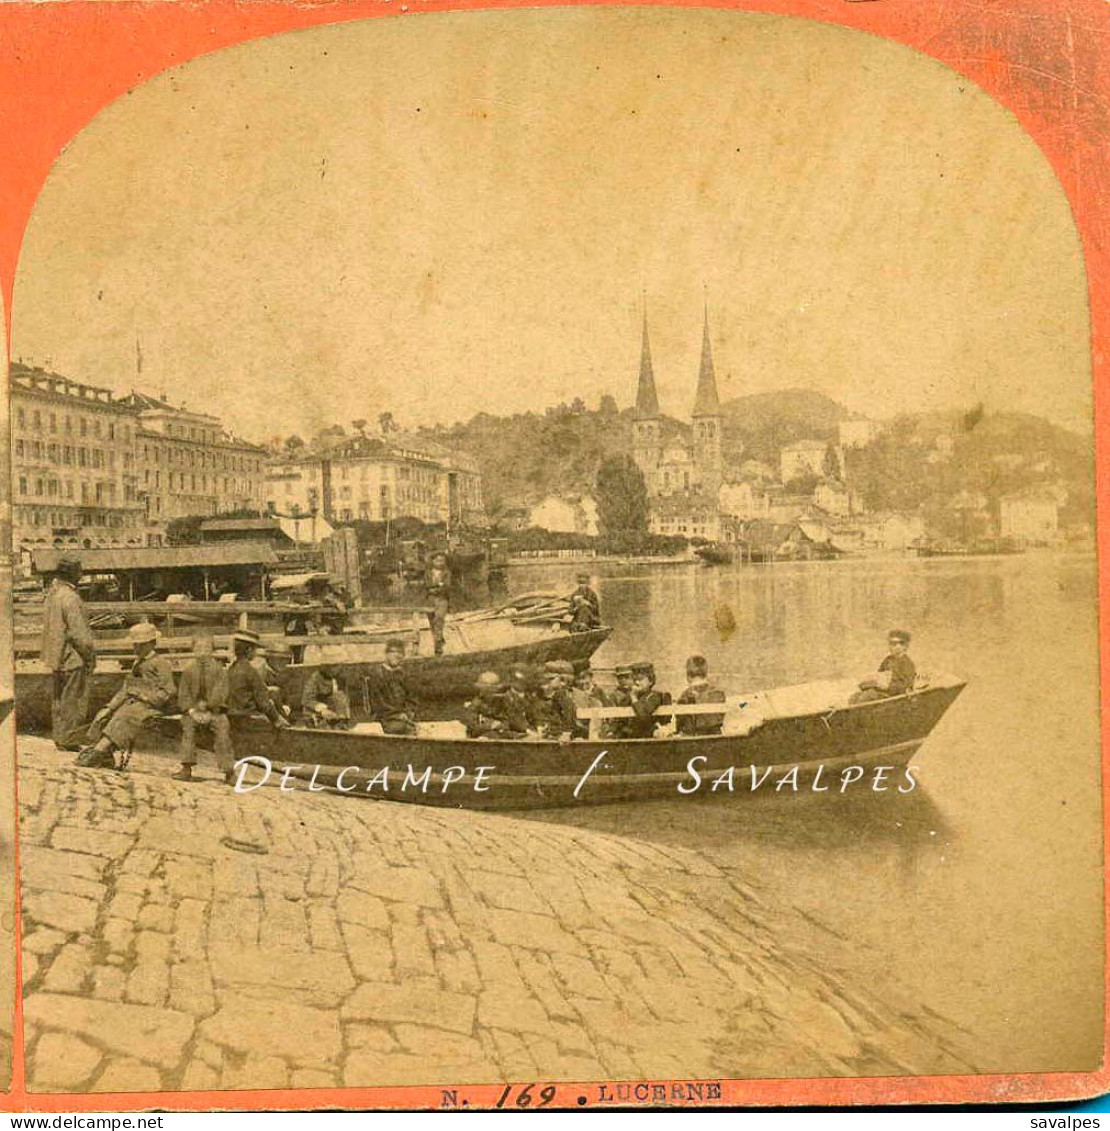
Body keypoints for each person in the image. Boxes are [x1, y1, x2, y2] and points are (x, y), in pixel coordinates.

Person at [78, 622, 174, 770]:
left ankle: (99, 751)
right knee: (106, 715)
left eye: (141, 645)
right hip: (134, 702)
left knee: (126, 716)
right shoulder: (137, 663)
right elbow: (126, 688)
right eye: (135, 645)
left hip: (152, 705)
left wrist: (144, 696)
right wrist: (109, 707)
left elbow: (168, 691)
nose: (136, 648)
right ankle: (105, 755)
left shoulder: (161, 664)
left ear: (152, 644)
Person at [41, 555, 97, 751]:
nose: (81, 575)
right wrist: (90, 656)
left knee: (59, 698)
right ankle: (70, 739)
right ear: (73, 574)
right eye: (79, 571)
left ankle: (60, 736)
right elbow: (79, 634)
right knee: (73, 699)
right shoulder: (71, 598)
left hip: (57, 656)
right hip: (73, 657)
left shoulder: (53, 595)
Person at [222, 629, 289, 779]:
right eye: (255, 649)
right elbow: (264, 702)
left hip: (232, 715)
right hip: (247, 718)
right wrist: (278, 720)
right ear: (249, 650)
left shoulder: (231, 670)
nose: (256, 653)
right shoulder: (250, 671)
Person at [173, 633, 231, 782]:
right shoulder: (189, 670)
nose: (202, 651)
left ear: (212, 650)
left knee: (223, 729)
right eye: (198, 647)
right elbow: (183, 694)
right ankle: (186, 767)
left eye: (206, 648)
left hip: (215, 711)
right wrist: (191, 711)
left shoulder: (219, 670)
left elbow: (221, 693)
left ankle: (229, 771)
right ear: (193, 649)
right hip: (193, 711)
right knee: (188, 728)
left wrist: (210, 709)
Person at [365, 639, 418, 735]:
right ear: (386, 654)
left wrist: (409, 713)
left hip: (403, 717)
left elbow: (412, 697)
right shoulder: (378, 675)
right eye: (393, 652)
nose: (397, 655)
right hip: (386, 719)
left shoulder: (403, 675)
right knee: (407, 730)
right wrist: (397, 715)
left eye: (400, 653)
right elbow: (377, 703)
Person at [851, 629, 917, 704]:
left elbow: (907, 685)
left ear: (905, 646)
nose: (895, 647)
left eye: (898, 644)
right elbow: (879, 676)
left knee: (868, 696)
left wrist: (888, 687)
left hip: (893, 697)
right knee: (854, 697)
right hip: (882, 692)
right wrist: (871, 683)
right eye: (892, 644)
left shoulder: (907, 663)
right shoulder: (887, 660)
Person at [675, 654, 726, 736]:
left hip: (693, 740)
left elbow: (680, 724)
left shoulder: (685, 696)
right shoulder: (719, 694)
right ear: (706, 673)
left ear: (688, 676)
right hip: (715, 738)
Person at [532, 660, 577, 740]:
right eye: (547, 679)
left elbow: (569, 714)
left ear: (562, 680)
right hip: (548, 733)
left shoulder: (562, 694)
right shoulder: (542, 695)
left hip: (563, 736)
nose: (548, 682)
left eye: (551, 679)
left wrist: (566, 733)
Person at [626, 661, 672, 739]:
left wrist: (634, 697)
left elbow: (644, 718)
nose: (637, 682)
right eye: (634, 679)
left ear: (650, 681)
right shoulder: (627, 698)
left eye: (640, 679)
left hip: (650, 739)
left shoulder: (655, 696)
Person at [300, 662, 352, 728]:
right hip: (316, 714)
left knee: (340, 695)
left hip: (335, 714)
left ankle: (341, 725)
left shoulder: (340, 678)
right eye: (332, 666)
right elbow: (306, 700)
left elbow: (341, 698)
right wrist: (323, 710)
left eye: (337, 666)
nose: (334, 669)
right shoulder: (315, 678)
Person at [462, 671, 510, 738]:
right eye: (487, 689)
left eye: (494, 689)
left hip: (501, 735)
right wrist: (491, 725)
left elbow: (509, 720)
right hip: (480, 738)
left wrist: (502, 725)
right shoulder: (474, 705)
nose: (492, 692)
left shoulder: (501, 703)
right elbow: (473, 727)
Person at [570, 664, 607, 738]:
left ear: (591, 678)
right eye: (579, 679)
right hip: (577, 727)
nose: (583, 682)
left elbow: (605, 707)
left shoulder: (597, 691)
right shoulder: (573, 693)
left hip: (594, 727)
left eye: (585, 678)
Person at [426, 552, 452, 656]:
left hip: (442, 599)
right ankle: (439, 639)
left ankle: (438, 647)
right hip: (430, 600)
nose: (440, 563)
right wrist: (437, 586)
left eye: (442, 561)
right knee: (432, 622)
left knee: (439, 619)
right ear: (433, 561)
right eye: (437, 560)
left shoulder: (447, 573)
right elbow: (426, 586)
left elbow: (446, 587)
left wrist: (434, 588)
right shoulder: (428, 573)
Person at [502, 667, 539, 738]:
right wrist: (527, 730)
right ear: (511, 681)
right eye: (517, 681)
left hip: (531, 732)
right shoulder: (506, 697)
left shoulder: (530, 697)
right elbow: (511, 718)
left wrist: (539, 727)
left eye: (524, 681)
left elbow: (535, 714)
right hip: (513, 733)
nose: (521, 684)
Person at [604, 664, 635, 739]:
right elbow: (612, 717)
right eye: (620, 678)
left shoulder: (636, 692)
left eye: (626, 677)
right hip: (620, 728)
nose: (624, 680)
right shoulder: (614, 695)